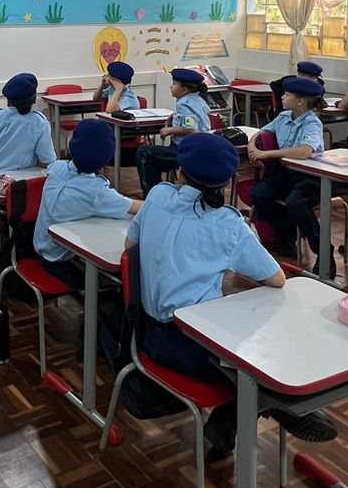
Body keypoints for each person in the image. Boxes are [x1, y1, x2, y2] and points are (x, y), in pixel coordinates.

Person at [126, 133, 334, 457]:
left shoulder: (157, 196)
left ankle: (239, 420)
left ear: (179, 175)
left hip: (148, 334)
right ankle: (275, 405)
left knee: (246, 351)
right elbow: (277, 279)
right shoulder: (226, 223)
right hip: (193, 347)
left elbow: (130, 248)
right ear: (228, 183)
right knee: (261, 358)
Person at [31, 122, 142, 291]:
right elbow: (136, 208)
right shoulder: (96, 192)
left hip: (42, 249)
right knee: (117, 281)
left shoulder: (57, 168)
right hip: (63, 262)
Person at [244, 76, 326, 260]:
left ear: (300, 101)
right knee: (259, 194)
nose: (281, 97)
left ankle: (322, 251)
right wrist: (252, 147)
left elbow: (304, 152)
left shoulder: (312, 123)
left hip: (308, 176)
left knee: (295, 202)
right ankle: (289, 233)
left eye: (286, 94)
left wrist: (267, 154)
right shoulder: (283, 117)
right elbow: (261, 132)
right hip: (286, 173)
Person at [136, 68, 214, 196]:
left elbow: (190, 128)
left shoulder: (184, 104)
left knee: (144, 153)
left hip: (187, 151)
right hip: (201, 149)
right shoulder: (198, 100)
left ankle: (153, 195)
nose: (170, 87)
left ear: (184, 90)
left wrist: (169, 130)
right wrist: (175, 115)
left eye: (174, 84)